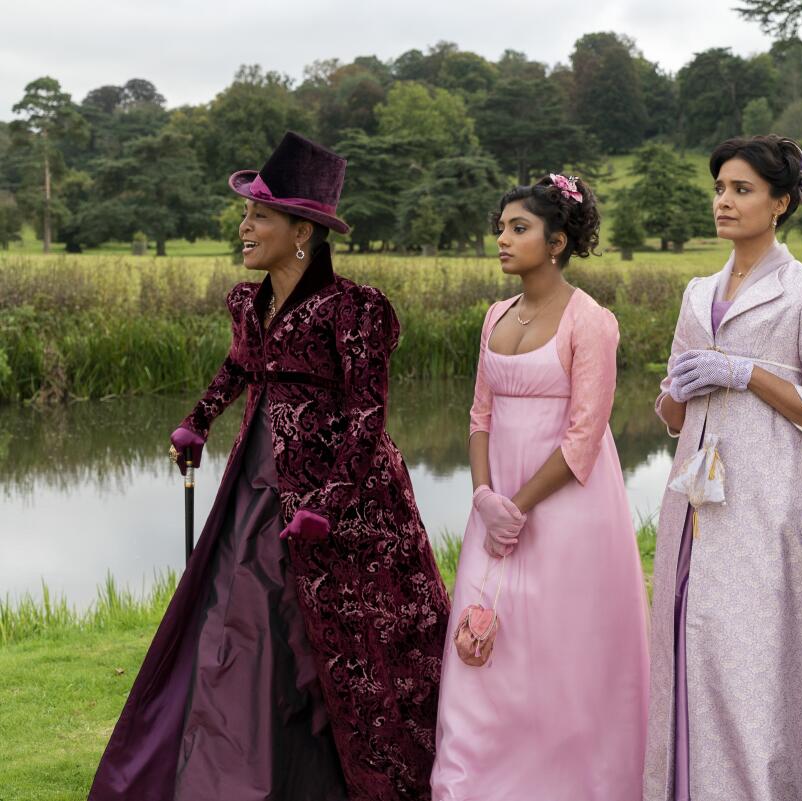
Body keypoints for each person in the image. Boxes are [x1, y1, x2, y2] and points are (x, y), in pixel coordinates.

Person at [89, 131, 450, 801]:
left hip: (346, 505)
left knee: (337, 642)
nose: (244, 227)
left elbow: (369, 416)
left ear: (302, 230)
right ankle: (239, 774)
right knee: (243, 619)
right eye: (246, 214)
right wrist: (197, 422)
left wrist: (330, 505)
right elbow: (239, 366)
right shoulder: (249, 303)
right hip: (258, 486)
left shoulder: (354, 309)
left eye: (259, 216)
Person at [642, 135, 802, 801]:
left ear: (780, 202)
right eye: (719, 187)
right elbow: (674, 415)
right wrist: (675, 391)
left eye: (741, 189)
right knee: (703, 650)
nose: (724, 200)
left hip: (778, 507)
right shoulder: (696, 293)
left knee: (760, 660)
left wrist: (746, 372)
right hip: (699, 506)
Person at [429, 175, 649, 801]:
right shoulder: (494, 315)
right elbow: (479, 417)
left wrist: (518, 506)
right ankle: (469, 783)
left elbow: (585, 435)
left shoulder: (592, 322)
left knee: (557, 648)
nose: (501, 239)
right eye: (500, 227)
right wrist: (483, 499)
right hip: (492, 505)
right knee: (482, 638)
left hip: (566, 508)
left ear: (555, 242)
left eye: (516, 228)